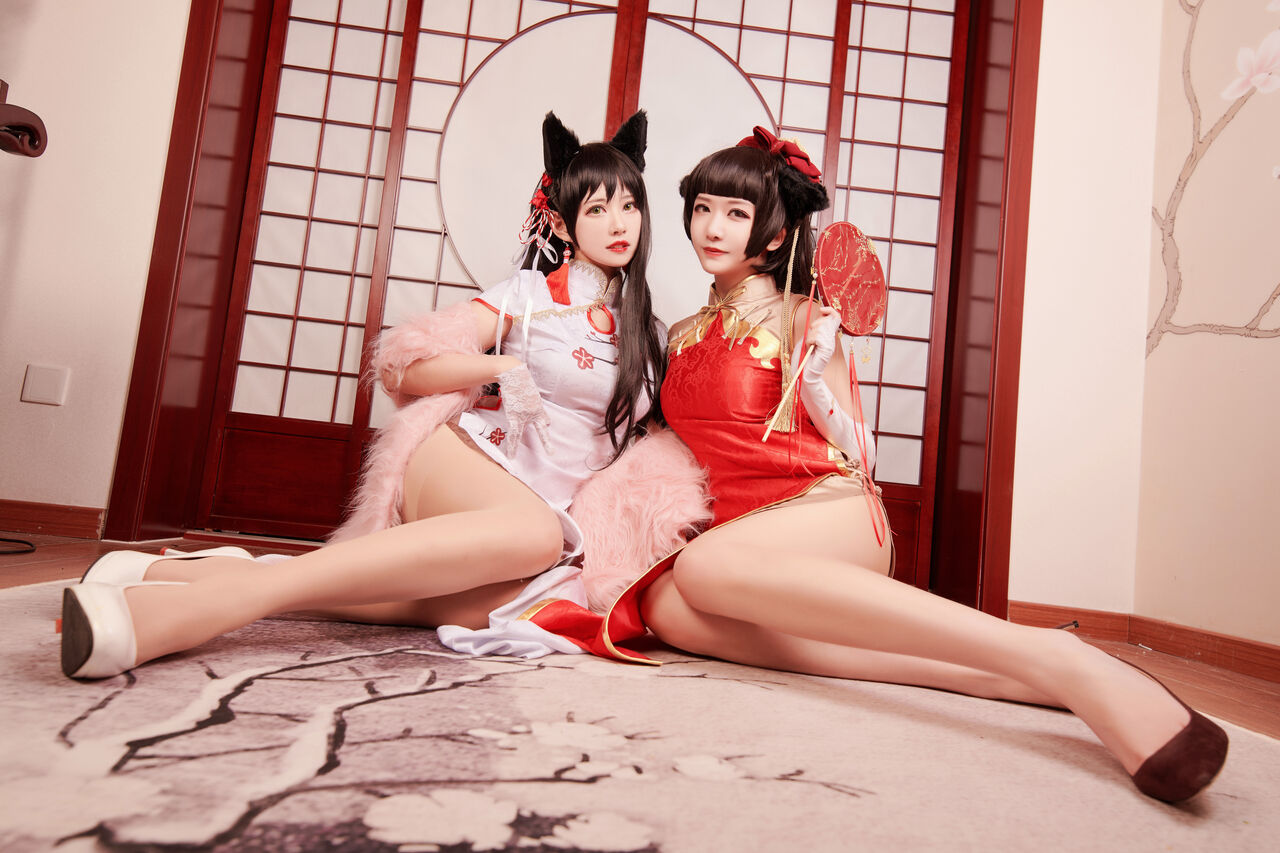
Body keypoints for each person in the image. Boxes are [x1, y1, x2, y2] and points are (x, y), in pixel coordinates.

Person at [567, 128, 1228, 804]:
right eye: (704, 208)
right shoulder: (680, 335)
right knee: (666, 608)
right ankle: (996, 677)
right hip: (742, 541)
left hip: (826, 509)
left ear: (774, 234)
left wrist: (816, 381)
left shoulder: (805, 316)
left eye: (736, 213)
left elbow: (862, 452)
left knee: (703, 569)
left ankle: (1056, 656)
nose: (713, 227)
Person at [60, 110, 675, 676]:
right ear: (562, 224)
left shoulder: (649, 333)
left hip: (551, 511)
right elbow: (402, 371)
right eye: (598, 209)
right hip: (473, 463)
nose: (619, 223)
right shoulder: (527, 296)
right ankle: (191, 611)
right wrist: (501, 367)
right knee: (532, 536)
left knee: (497, 598)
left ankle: (166, 574)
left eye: (629, 205)